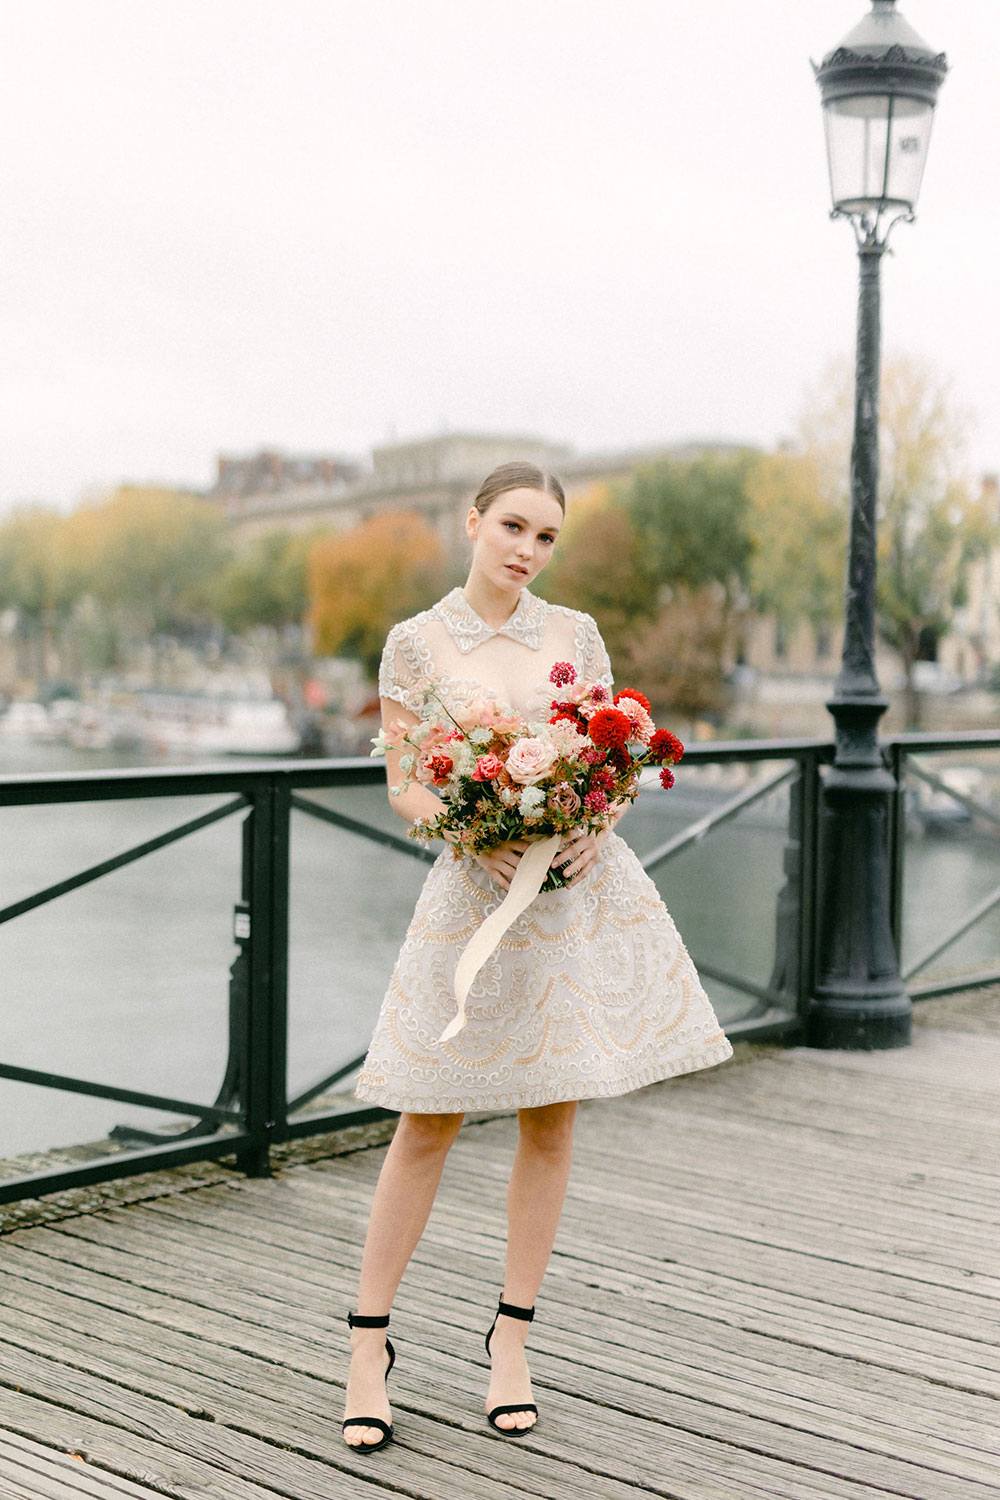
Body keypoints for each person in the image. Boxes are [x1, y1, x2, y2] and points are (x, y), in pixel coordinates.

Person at [342, 461, 732, 1453]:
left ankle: (510, 1341)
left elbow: (608, 758)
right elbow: (402, 786)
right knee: (426, 1120)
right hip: (473, 893)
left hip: (565, 896)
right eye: (512, 526)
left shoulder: (575, 635)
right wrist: (472, 829)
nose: (526, 550)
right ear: (472, 521)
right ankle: (367, 1343)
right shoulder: (416, 643)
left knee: (549, 1118)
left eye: (546, 537)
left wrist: (600, 819)